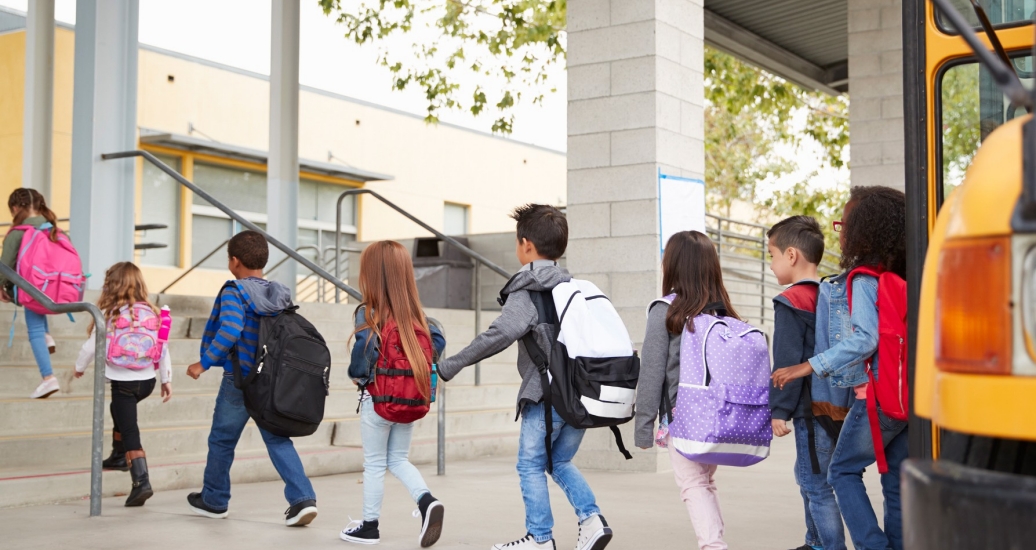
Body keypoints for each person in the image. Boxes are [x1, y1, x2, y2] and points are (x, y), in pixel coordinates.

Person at [437, 204, 613, 550]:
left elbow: (499, 334)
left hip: (545, 396)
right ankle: (592, 519)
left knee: (530, 464)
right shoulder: (573, 287)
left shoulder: (529, 288)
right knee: (557, 460)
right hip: (581, 394)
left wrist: (451, 364)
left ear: (526, 244)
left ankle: (540, 538)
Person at [772, 186, 909, 550]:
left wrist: (807, 367)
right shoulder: (902, 276)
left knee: (842, 471)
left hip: (879, 396)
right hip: (909, 395)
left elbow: (865, 340)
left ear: (866, 229)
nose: (841, 232)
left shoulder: (863, 279)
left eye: (844, 224)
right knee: (895, 479)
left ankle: (871, 546)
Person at [184, 230, 318, 527]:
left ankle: (215, 500)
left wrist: (203, 363)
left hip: (239, 381)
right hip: (270, 381)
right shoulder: (278, 293)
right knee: (277, 438)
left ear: (234, 261)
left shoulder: (235, 291)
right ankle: (303, 499)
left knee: (221, 440)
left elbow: (230, 329)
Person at [339, 240, 447, 547]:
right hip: (409, 399)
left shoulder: (368, 314)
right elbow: (437, 344)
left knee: (374, 464)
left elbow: (362, 359)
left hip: (378, 402)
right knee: (398, 459)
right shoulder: (420, 319)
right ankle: (427, 502)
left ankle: (369, 526)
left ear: (371, 275)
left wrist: (357, 377)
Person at [634, 230, 735, 550]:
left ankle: (713, 546)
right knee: (704, 481)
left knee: (692, 484)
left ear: (672, 266)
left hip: (686, 415)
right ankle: (714, 540)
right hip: (721, 413)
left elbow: (651, 372)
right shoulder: (722, 310)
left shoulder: (666, 310)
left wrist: (643, 425)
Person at [766, 216, 850, 550]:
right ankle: (813, 540)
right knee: (809, 476)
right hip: (838, 402)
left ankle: (828, 546)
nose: (771, 265)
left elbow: (785, 363)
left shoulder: (790, 302)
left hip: (808, 408)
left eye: (771, 256)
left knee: (816, 484)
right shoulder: (832, 297)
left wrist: (779, 411)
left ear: (791, 255)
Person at [74, 262, 172, 507]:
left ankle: (141, 482)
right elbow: (163, 348)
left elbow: (90, 347)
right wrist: (166, 379)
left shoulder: (110, 314)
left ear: (111, 286)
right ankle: (118, 455)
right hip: (147, 380)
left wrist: (79, 367)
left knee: (130, 430)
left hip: (123, 383)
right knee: (117, 411)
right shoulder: (154, 313)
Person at [0, 188, 62, 398]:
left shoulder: (18, 232)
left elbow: (5, 266)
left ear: (16, 208)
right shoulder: (53, 229)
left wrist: (1, 287)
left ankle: (48, 378)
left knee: (33, 329)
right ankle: (47, 337)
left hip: (31, 289)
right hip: (57, 288)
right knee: (39, 316)